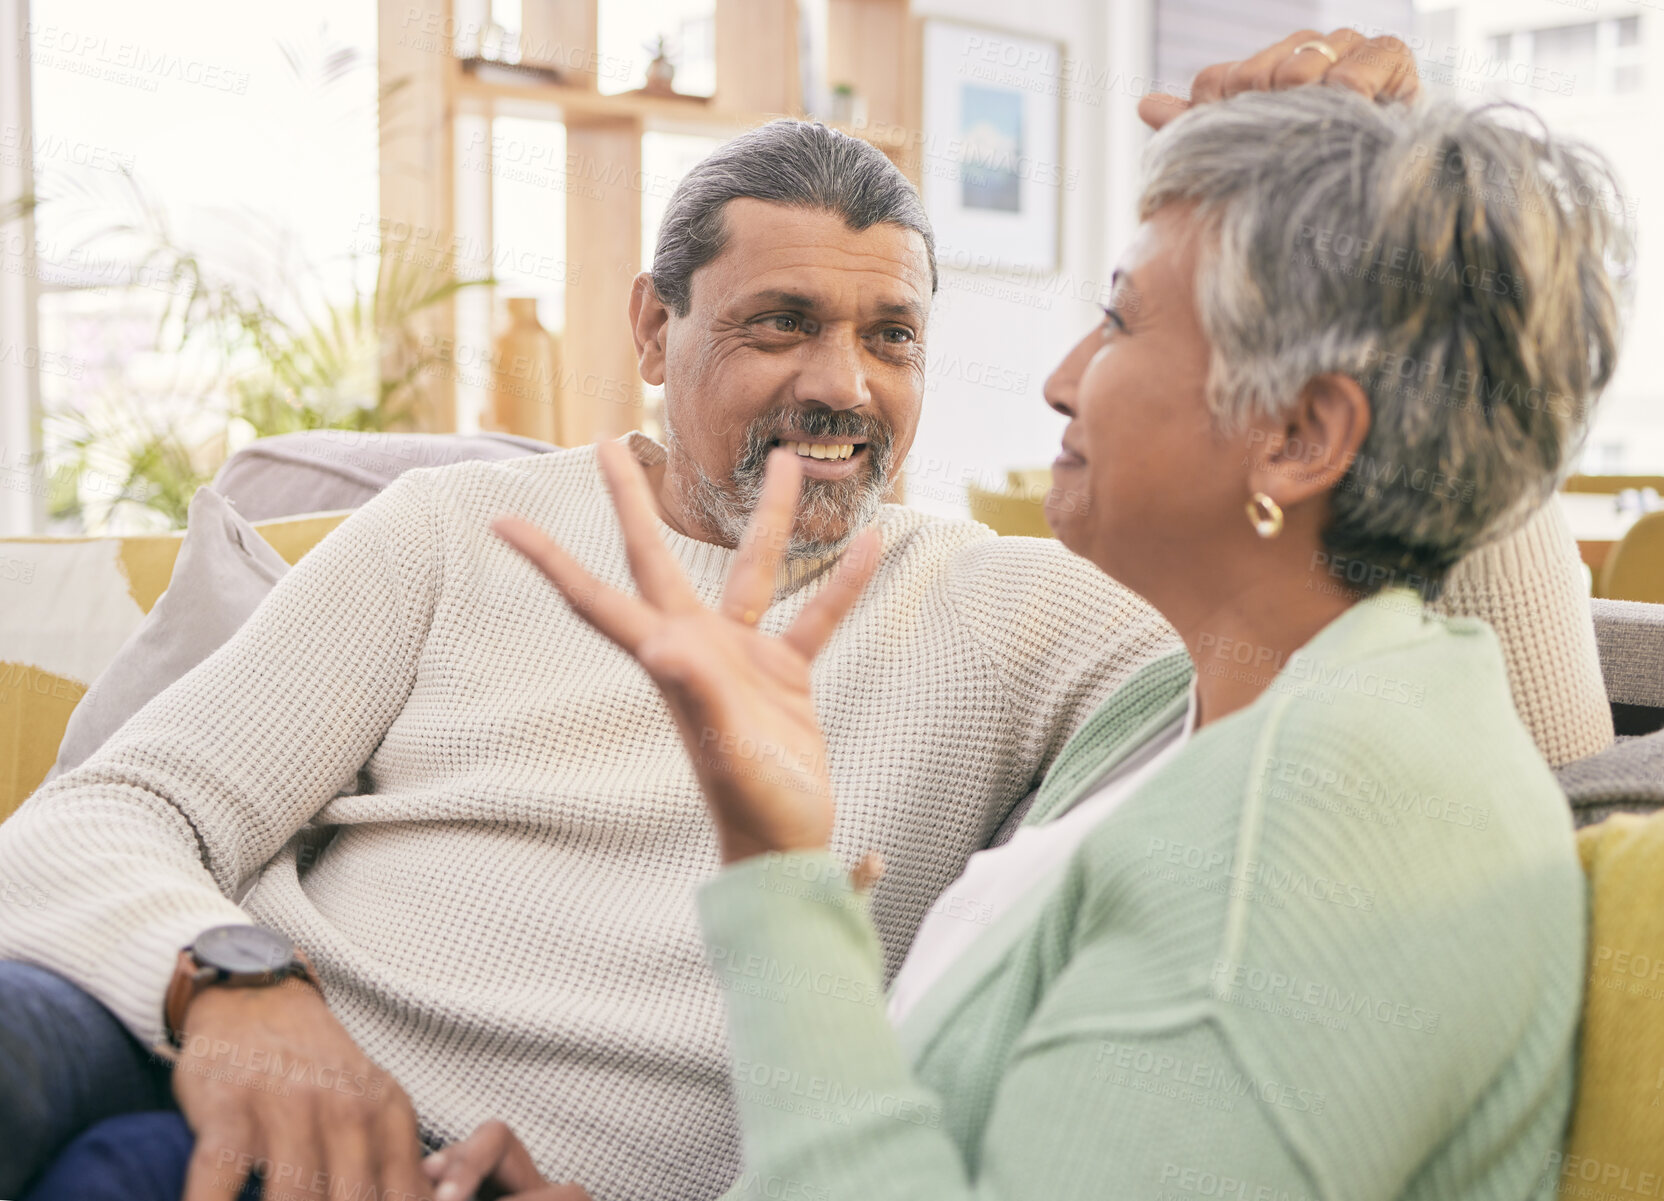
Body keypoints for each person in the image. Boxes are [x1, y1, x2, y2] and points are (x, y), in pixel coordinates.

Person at [0, 30, 1609, 1201]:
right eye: (781, 324)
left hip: (453, 1166)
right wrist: (233, 984)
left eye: (891, 337)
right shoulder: (447, 530)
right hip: (202, 1012)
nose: (841, 387)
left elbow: (1484, 718)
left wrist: (1437, 274)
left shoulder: (1030, 615)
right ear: (654, 325)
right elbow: (95, 819)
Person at [431, 71, 1628, 1201]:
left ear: (1300, 437)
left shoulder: (1319, 820)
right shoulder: (1178, 714)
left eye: (1117, 321)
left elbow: (1551, 747)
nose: (1058, 381)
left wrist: (777, 870)